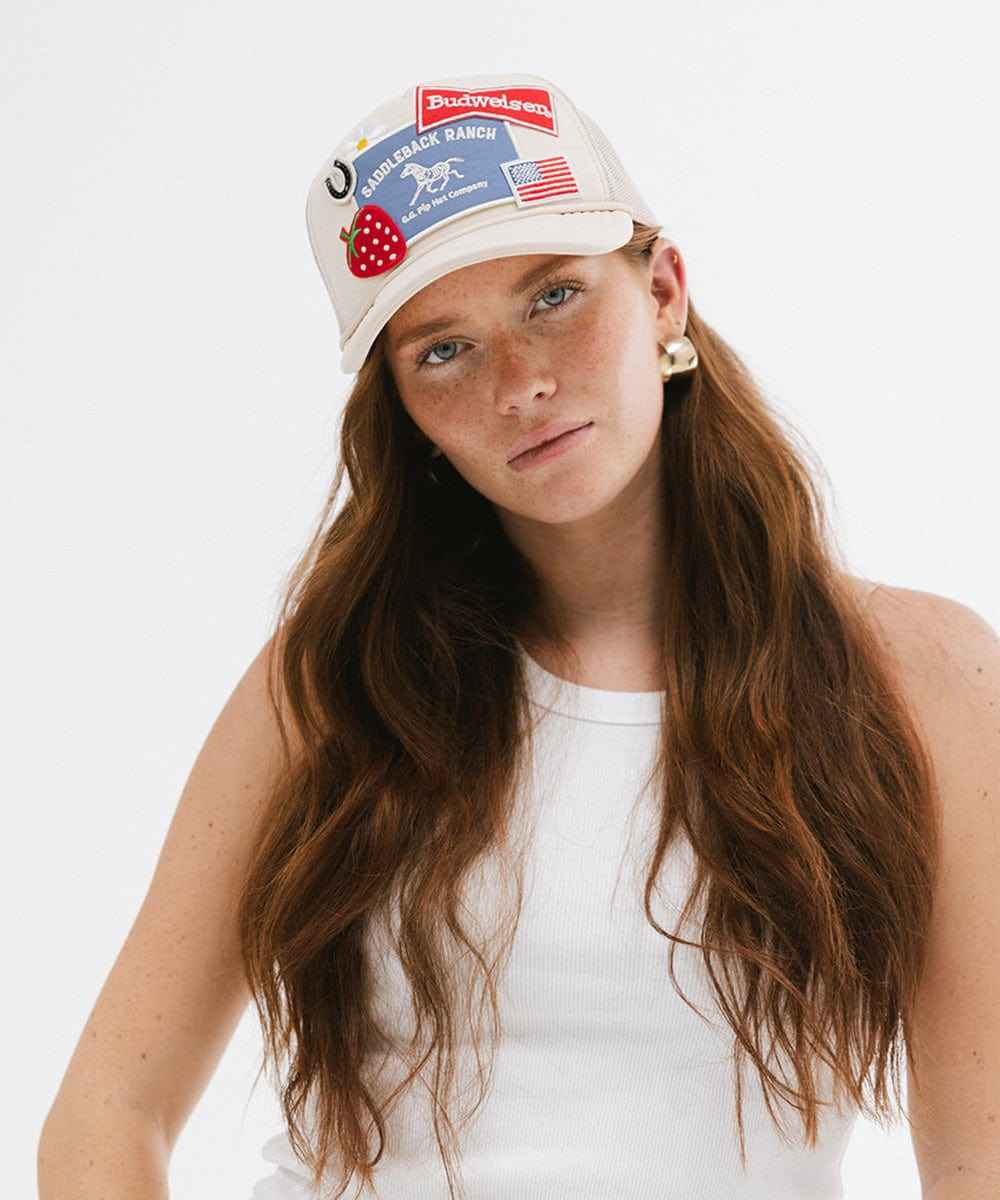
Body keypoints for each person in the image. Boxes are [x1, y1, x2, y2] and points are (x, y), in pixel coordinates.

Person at [38, 71, 1000, 1200]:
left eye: (554, 297)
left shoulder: (919, 678)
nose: (522, 384)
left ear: (663, 292)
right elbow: (110, 1110)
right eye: (443, 351)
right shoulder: (339, 679)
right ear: (404, 409)